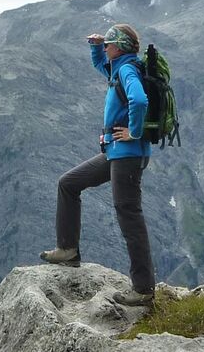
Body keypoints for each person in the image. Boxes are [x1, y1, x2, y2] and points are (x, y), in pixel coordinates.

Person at [40, 24, 155, 306]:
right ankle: (68, 250)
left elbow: (139, 100)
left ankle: (143, 290)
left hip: (127, 153)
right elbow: (100, 64)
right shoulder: (117, 68)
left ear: (119, 47)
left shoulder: (127, 70)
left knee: (129, 214)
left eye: (108, 44)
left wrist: (135, 131)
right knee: (69, 183)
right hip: (116, 152)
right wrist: (95, 47)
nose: (105, 48)